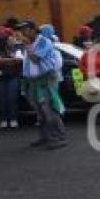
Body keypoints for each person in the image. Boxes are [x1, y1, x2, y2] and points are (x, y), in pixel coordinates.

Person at [18, 20, 68, 150]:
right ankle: (45, 136)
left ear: (34, 30)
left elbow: (35, 59)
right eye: (21, 29)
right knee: (39, 111)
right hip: (33, 81)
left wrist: (27, 45)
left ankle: (58, 137)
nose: (22, 32)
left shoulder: (44, 42)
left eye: (25, 29)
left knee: (49, 109)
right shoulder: (29, 43)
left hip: (46, 80)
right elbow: (27, 63)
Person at [0, 26, 24, 128]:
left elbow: (19, 60)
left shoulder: (19, 47)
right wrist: (11, 60)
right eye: (8, 38)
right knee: (2, 99)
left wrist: (3, 60)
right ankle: (3, 119)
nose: (11, 40)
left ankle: (13, 118)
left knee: (12, 98)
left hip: (14, 76)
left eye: (12, 38)